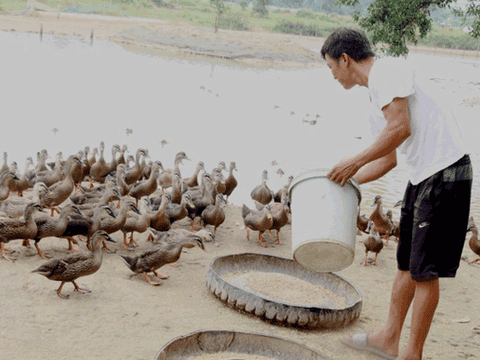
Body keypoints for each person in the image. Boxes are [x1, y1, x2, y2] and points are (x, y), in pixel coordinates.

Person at [321, 27, 473, 360]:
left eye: (331, 66)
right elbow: (388, 158)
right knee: (406, 263)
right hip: (422, 176)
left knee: (424, 271)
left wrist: (354, 160)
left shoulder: (386, 72)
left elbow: (400, 126)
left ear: (345, 59)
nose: (331, 75)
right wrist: (346, 181)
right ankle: (388, 338)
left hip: (446, 172)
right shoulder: (375, 97)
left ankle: (412, 354)